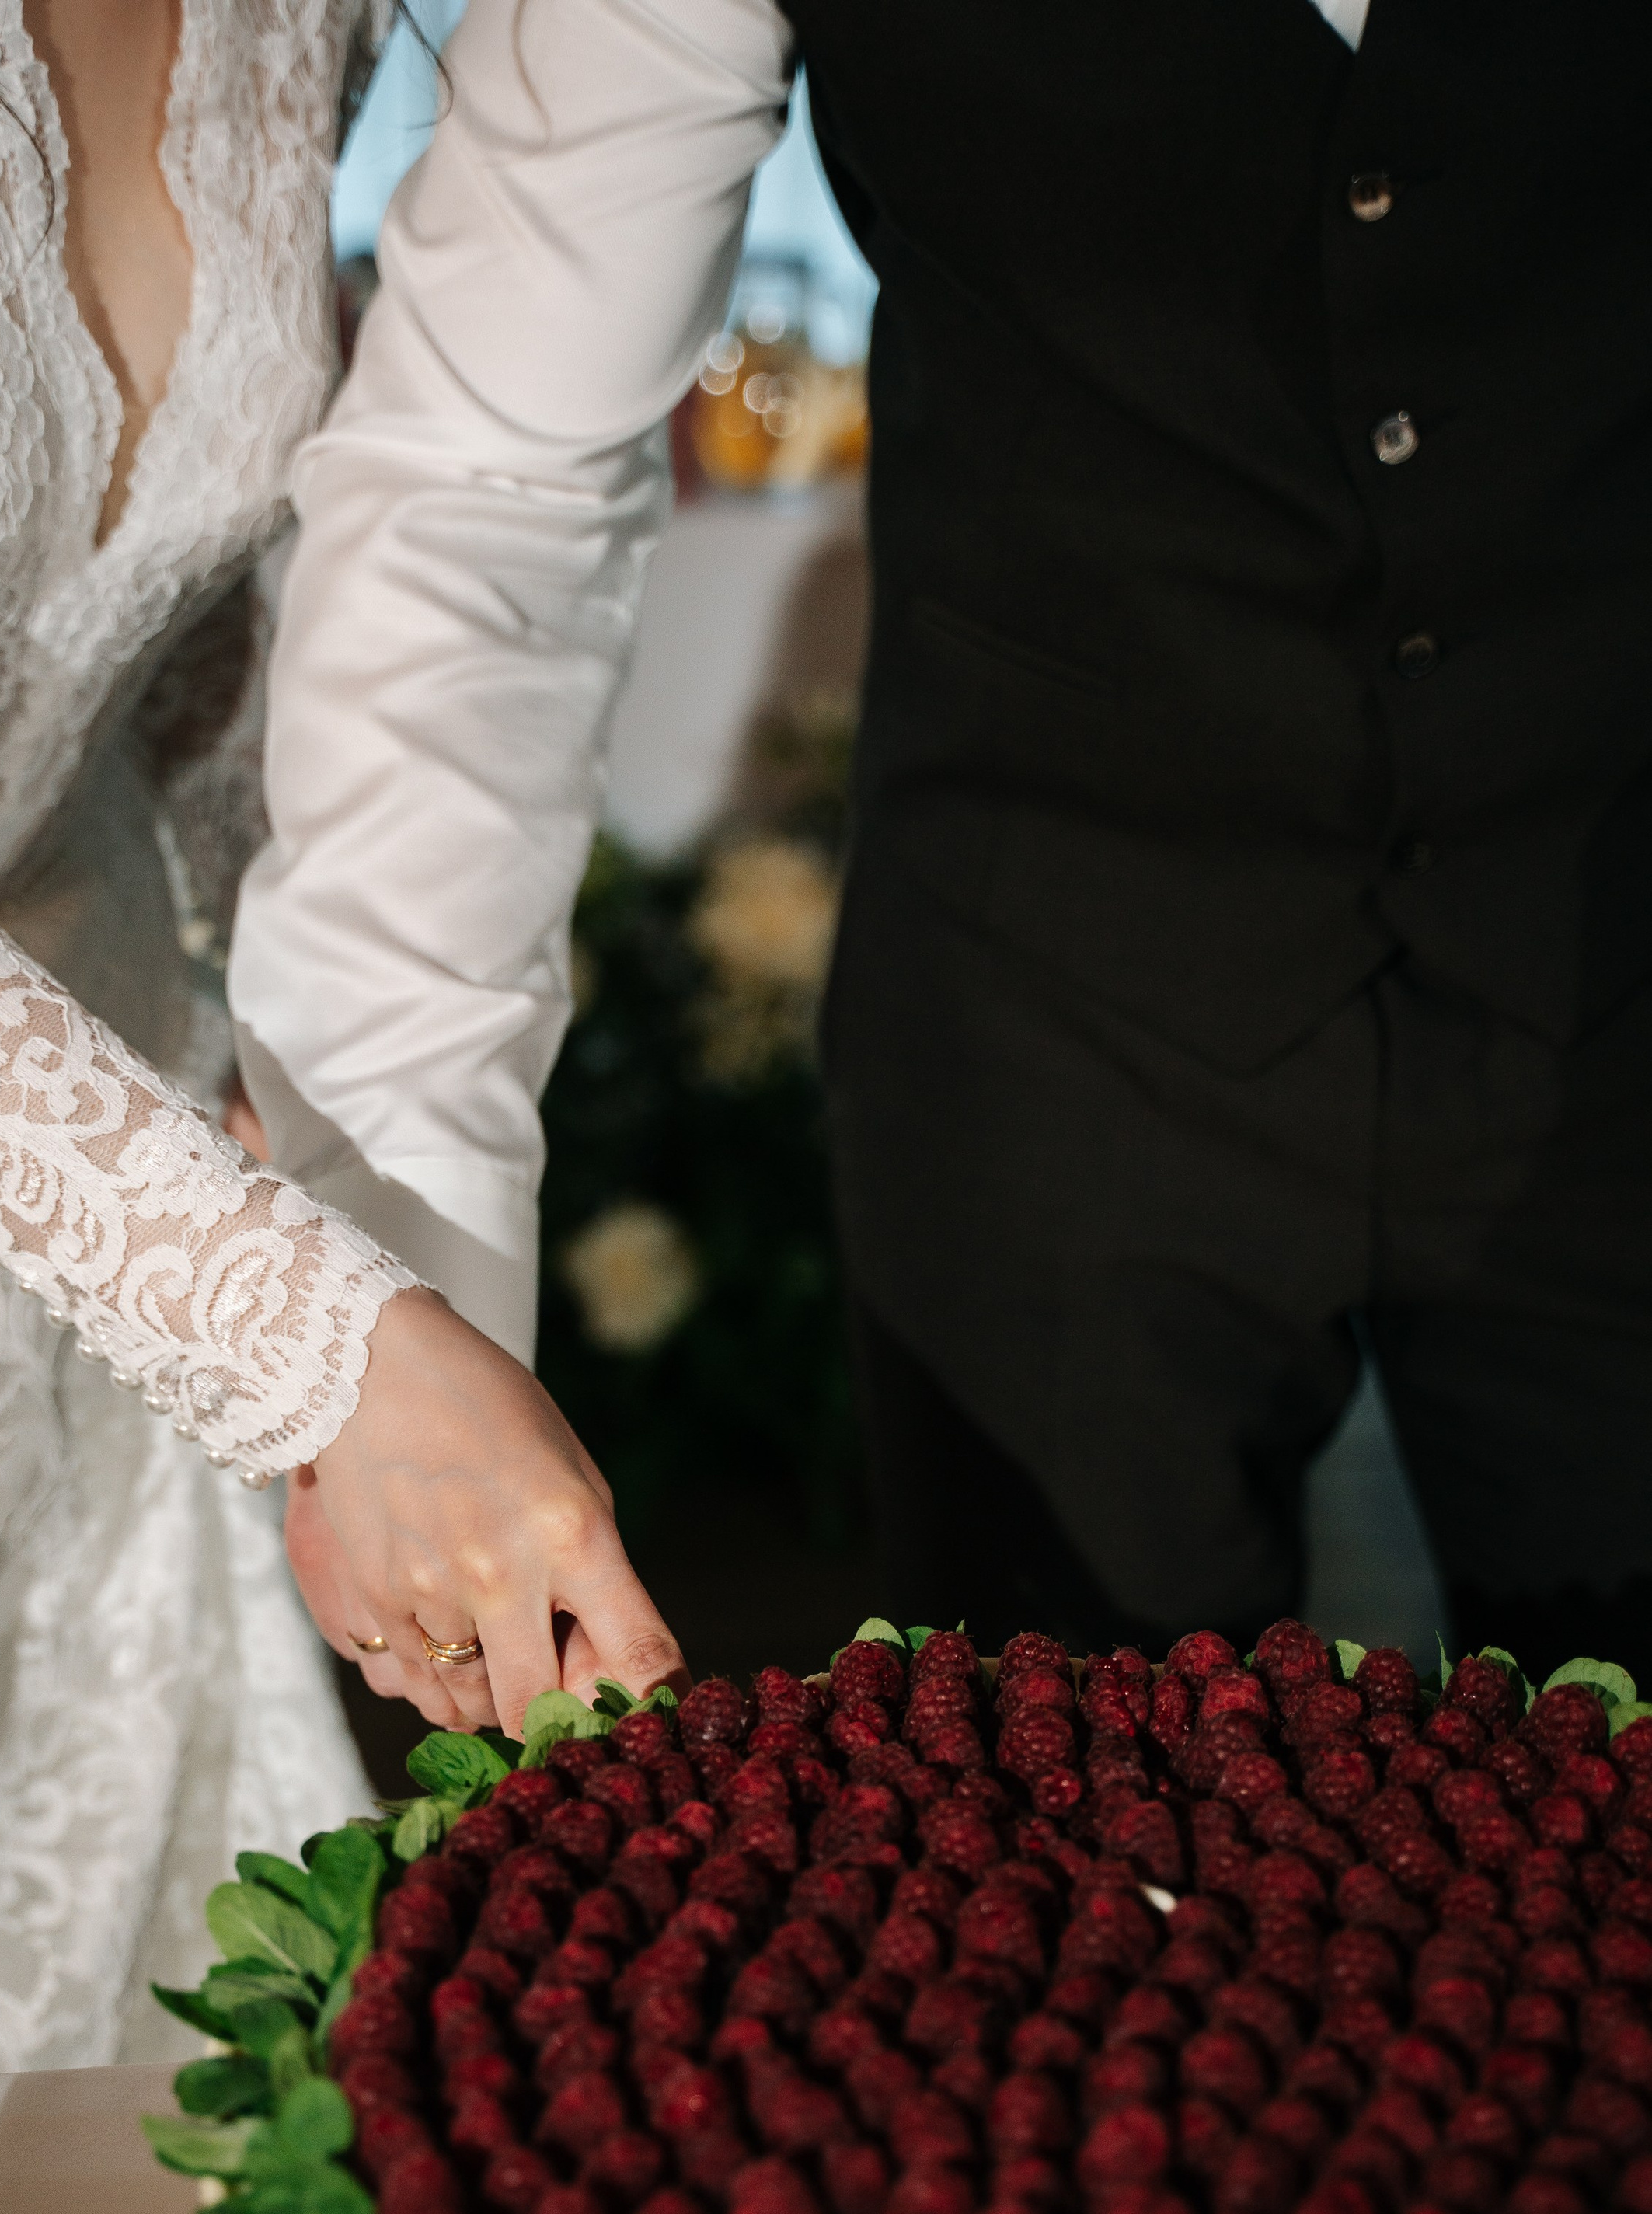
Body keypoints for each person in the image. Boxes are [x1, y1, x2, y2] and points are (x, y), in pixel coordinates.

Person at [244, 0, 1652, 1693]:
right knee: (1053, 1875)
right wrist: (404, 1306)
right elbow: (489, 485)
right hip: (1043, 1011)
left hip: (1620, 950)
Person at [0, 0, 681, 2089]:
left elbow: (176, 613)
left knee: (149, 2017)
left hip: (110, 1123)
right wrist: (309, 1333)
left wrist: (265, 1079)